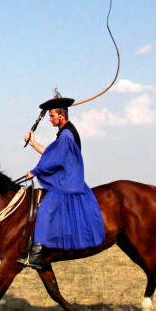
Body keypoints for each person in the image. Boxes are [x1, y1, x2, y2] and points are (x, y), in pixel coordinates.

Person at [19, 91, 106, 269]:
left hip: (66, 183)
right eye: (49, 116)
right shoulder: (64, 133)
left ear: (62, 115)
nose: (50, 119)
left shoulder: (66, 135)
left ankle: (35, 256)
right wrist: (34, 143)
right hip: (67, 179)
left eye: (52, 116)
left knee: (44, 212)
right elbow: (54, 155)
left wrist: (35, 171)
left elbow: (56, 160)